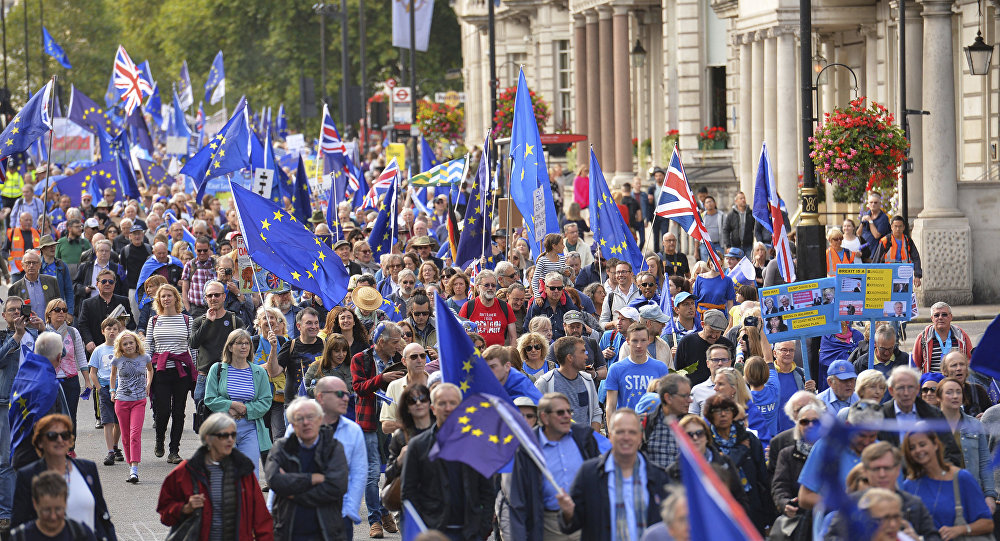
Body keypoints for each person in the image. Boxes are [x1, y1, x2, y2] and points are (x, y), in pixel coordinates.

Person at [556, 409, 671, 541]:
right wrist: (568, 513)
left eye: (632, 432)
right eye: (620, 432)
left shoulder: (659, 477)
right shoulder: (589, 473)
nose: (626, 437)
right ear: (610, 435)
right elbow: (570, 526)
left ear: (640, 437)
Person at [157, 412, 273, 540]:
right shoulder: (186, 471)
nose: (230, 439)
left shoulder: (243, 471)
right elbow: (165, 515)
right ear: (208, 438)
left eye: (232, 435)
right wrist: (185, 508)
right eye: (223, 435)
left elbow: (262, 520)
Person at [401, 383, 494, 540]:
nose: (448, 408)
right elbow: (408, 492)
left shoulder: (477, 445)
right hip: (432, 532)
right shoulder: (418, 446)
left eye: (453, 403)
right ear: (433, 409)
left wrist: (482, 529)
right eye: (442, 403)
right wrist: (423, 528)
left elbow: (487, 492)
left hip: (470, 532)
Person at [509, 392, 602, 541]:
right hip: (548, 527)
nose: (567, 416)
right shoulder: (528, 448)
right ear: (544, 417)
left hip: (585, 522)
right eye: (560, 412)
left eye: (569, 411)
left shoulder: (584, 438)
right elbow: (518, 500)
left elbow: (600, 478)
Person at [10, 414, 115, 539]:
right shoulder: (28, 476)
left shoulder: (88, 469)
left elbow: (103, 516)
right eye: (52, 436)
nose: (60, 440)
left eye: (64, 435)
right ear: (40, 442)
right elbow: (19, 522)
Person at [266, 397, 349, 541]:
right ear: (292, 423)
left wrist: (293, 494)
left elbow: (337, 486)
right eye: (299, 418)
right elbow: (274, 480)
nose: (305, 422)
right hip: (288, 531)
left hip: (326, 531)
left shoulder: (334, 447)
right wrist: (312, 479)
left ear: (320, 420)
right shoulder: (281, 448)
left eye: (310, 417)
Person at [349, 321, 402, 537]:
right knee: (371, 473)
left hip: (392, 424)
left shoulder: (399, 360)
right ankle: (375, 519)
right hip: (369, 422)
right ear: (381, 341)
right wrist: (382, 379)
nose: (398, 347)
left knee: (391, 472)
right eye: (395, 342)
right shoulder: (360, 358)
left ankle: (384, 510)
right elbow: (358, 387)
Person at [204, 329, 273, 475]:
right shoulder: (217, 369)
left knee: (250, 473)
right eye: (239, 343)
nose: (244, 347)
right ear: (230, 347)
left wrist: (246, 409)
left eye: (247, 343)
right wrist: (231, 405)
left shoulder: (259, 372)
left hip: (251, 428)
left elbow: (266, 401)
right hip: (223, 428)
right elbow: (209, 399)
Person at [900, 429, 994, 537]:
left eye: (922, 444)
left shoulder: (961, 478)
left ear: (935, 444)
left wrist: (961, 529)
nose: (918, 450)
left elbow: (988, 523)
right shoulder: (908, 486)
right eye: (912, 448)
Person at [702, 394, 771, 534]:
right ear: (710, 416)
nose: (722, 415)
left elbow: (763, 478)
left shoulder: (748, 438)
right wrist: (740, 451)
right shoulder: (707, 443)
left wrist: (769, 516)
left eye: (727, 410)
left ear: (733, 413)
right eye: (716, 411)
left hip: (752, 504)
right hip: (723, 506)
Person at [797, 400, 883, 510]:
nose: (866, 442)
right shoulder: (826, 446)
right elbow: (804, 498)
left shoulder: (883, 453)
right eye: (861, 435)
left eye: (872, 436)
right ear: (848, 425)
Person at [145, 284, 196, 464]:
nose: (166, 299)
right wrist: (147, 372)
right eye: (163, 296)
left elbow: (193, 347)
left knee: (179, 412)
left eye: (169, 295)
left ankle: (174, 450)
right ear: (158, 301)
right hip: (160, 370)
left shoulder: (186, 320)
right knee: (163, 411)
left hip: (181, 371)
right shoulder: (154, 321)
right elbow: (148, 347)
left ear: (176, 298)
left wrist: (196, 370)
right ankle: (160, 440)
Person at [877, 366, 963, 467]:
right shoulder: (880, 416)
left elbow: (951, 453)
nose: (906, 393)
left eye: (910, 387)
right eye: (900, 388)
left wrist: (940, 473)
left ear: (917, 389)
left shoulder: (933, 415)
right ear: (891, 391)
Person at [937, 377, 997, 504]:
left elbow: (985, 462)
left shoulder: (975, 425)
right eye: (949, 392)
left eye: (958, 392)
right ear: (939, 397)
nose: (955, 396)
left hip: (970, 493)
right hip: (938, 493)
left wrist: (990, 495)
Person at [770, 402, 823, 539]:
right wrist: (785, 503)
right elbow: (779, 486)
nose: (810, 425)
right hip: (798, 520)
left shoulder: (833, 453)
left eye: (815, 422)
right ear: (798, 425)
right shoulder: (787, 454)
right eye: (805, 422)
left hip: (826, 518)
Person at [190, 281, 245, 411]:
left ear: (224, 297)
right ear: (205, 298)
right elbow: (193, 344)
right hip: (205, 377)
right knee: (203, 419)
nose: (213, 298)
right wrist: (208, 321)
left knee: (227, 419)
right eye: (210, 296)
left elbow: (245, 347)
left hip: (229, 375)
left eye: (217, 295)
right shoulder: (199, 321)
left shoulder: (234, 320)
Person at [43, 299, 88, 448]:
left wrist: (87, 381)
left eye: (64, 309)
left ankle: (70, 448)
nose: (61, 312)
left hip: (70, 380)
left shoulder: (73, 332)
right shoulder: (42, 332)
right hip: (49, 381)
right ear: (49, 314)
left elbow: (81, 357)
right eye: (57, 310)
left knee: (69, 416)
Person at [109, 330, 152, 484]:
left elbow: (150, 370)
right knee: (126, 437)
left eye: (131, 343)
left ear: (136, 343)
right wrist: (112, 391)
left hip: (139, 400)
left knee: (135, 434)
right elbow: (113, 376)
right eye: (125, 344)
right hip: (121, 401)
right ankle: (130, 466)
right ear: (120, 346)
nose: (128, 346)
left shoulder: (145, 357)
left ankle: (134, 469)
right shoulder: (117, 359)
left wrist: (148, 384)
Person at [534, 336, 602, 431]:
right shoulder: (544, 383)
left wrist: (591, 439)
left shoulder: (588, 380)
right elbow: (537, 418)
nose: (586, 356)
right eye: (582, 352)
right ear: (570, 357)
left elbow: (596, 412)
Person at [9, 471, 99, 541]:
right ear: (35, 504)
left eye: (58, 509)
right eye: (46, 510)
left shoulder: (82, 535)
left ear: (65, 503)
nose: (53, 516)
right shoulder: (20, 537)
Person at [385, 382, 435, 508]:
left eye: (423, 399)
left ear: (430, 403)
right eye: (412, 401)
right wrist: (399, 460)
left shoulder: (442, 430)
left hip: (438, 502)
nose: (418, 403)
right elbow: (389, 474)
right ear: (406, 407)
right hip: (410, 503)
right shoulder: (400, 436)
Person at [605, 324, 670, 415]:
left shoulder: (661, 368)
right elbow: (610, 407)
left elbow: (666, 403)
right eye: (635, 341)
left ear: (648, 341)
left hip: (653, 425)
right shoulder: (616, 369)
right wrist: (612, 429)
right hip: (626, 425)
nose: (639, 345)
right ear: (627, 341)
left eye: (643, 340)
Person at [636, 373, 692, 470]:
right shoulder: (644, 423)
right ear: (668, 398)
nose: (690, 400)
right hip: (653, 483)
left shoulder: (692, 425)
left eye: (690, 395)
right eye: (685, 396)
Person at [87, 317, 124, 467]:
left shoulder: (122, 349)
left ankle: (115, 446)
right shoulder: (98, 350)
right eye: (109, 329)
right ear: (103, 331)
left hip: (121, 389)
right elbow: (93, 372)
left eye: (115, 329)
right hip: (104, 388)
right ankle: (110, 451)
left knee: (119, 421)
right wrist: (99, 388)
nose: (112, 332)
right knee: (107, 421)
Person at [77, 270, 135, 356]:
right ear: (97, 284)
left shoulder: (123, 301)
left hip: (118, 350)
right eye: (104, 281)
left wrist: (124, 328)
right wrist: (88, 341)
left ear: (114, 284)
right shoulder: (88, 303)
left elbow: (132, 324)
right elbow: (83, 324)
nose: (107, 284)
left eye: (111, 282)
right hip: (95, 350)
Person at [379, 342, 430, 434]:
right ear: (404, 361)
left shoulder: (436, 384)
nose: (419, 360)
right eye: (414, 357)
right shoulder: (394, 387)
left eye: (422, 356)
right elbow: (386, 426)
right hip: (404, 445)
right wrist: (411, 424)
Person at [673, 309, 734, 384]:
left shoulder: (727, 345)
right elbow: (678, 371)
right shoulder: (687, 342)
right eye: (711, 331)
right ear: (702, 324)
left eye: (718, 332)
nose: (714, 336)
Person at [459, 270, 517, 347]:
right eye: (486, 285)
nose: (490, 288)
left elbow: (513, 337)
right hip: (475, 356)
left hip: (498, 356)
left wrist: (511, 356)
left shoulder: (505, 307)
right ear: (477, 287)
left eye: (493, 285)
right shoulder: (468, 307)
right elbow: (459, 335)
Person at [912, 302, 973, 374]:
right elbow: (915, 366)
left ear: (950, 317)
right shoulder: (923, 338)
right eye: (936, 315)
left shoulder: (962, 336)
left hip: (956, 381)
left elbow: (970, 362)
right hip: (932, 381)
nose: (940, 317)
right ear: (932, 318)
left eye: (944, 314)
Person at [524, 273, 579, 341]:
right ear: (545, 288)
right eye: (552, 288)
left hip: (566, 345)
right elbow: (527, 329)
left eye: (559, 288)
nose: (556, 291)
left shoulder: (568, 306)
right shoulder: (537, 306)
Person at [870, 216, 922, 287]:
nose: (898, 229)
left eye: (900, 226)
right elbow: (876, 259)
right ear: (891, 227)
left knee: (903, 296)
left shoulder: (908, 241)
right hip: (888, 274)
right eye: (895, 226)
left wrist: (917, 276)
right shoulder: (885, 241)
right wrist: (873, 277)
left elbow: (916, 258)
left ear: (903, 227)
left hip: (904, 274)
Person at [8, 250, 61, 319]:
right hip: (27, 328)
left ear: (40, 265)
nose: (31, 266)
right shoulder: (14, 289)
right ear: (22, 265)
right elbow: (12, 315)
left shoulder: (52, 282)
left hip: (49, 326)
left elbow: (58, 305)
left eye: (34, 263)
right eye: (28, 263)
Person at [939, 351, 992, 417]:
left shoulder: (978, 391)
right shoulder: (938, 393)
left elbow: (992, 420)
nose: (959, 368)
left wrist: (984, 418)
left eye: (962, 364)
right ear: (945, 371)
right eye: (954, 365)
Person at [688, 344, 734, 415]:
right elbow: (693, 421)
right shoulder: (697, 390)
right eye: (715, 360)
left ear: (730, 362)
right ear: (708, 363)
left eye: (724, 360)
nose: (720, 363)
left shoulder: (740, 387)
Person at [599, 262, 641, 328]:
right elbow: (602, 323)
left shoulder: (641, 294)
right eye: (618, 272)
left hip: (638, 336)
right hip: (617, 336)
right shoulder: (610, 297)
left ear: (631, 274)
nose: (620, 275)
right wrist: (613, 323)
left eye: (624, 272)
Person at [858, 192, 890, 260]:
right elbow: (858, 234)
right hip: (864, 253)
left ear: (880, 204)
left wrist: (870, 221)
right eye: (871, 202)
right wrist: (862, 223)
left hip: (876, 255)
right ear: (868, 204)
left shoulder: (883, 218)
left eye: (875, 202)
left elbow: (877, 235)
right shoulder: (866, 214)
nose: (873, 204)